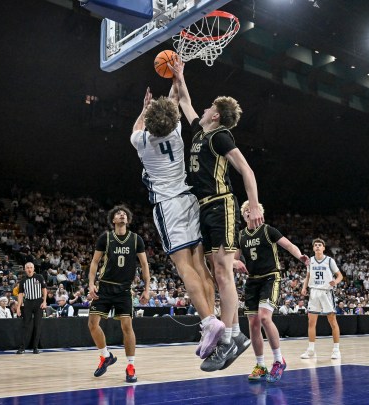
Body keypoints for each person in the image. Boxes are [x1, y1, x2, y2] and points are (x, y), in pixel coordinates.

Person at [172, 59, 264, 372]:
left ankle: (232, 337)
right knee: (214, 271)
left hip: (222, 204)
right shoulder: (200, 130)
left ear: (217, 114)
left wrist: (253, 205)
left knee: (223, 272)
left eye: (211, 105)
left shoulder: (220, 135)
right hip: (203, 207)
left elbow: (246, 170)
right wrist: (179, 75)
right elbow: (184, 100)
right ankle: (230, 334)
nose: (207, 107)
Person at [130, 85, 224, 359]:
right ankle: (213, 318)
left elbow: (137, 127)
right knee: (200, 264)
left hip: (168, 206)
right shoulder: (176, 132)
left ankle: (208, 322)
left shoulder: (143, 142)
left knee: (184, 268)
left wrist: (144, 107)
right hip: (189, 199)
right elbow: (172, 108)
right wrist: (176, 80)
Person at [236, 201, 309, 383]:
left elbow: (289, 245)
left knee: (264, 318)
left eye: (251, 209)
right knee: (253, 324)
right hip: (252, 280)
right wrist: (233, 263)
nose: (248, 212)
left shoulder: (268, 230)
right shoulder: (241, 236)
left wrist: (300, 256)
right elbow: (233, 259)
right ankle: (260, 365)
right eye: (245, 210)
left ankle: (279, 360)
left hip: (270, 277)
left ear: (259, 213)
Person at [87, 205, 150, 383]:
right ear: (113, 220)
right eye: (118, 214)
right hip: (105, 287)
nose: (121, 215)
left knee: (127, 327)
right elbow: (94, 262)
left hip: (123, 289)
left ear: (127, 220)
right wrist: (91, 284)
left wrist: (147, 288)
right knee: (92, 324)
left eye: (124, 214)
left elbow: (144, 265)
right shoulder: (105, 238)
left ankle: (130, 366)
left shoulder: (136, 239)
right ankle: (105, 356)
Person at [300, 239, 344, 360]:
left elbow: (340, 275)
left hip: (326, 292)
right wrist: (304, 287)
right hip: (314, 292)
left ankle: (336, 350)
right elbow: (308, 276)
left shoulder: (330, 260)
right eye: (315, 245)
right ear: (313, 248)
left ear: (324, 248)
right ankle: (311, 350)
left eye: (320, 245)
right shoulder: (310, 261)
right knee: (311, 322)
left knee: (332, 321)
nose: (318, 247)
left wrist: (335, 281)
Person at [16, 262, 47, 354]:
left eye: (31, 267)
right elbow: (20, 294)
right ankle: (22, 347)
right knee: (25, 326)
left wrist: (44, 301)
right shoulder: (23, 280)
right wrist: (18, 307)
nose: (29, 269)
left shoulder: (39, 277)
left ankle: (35, 347)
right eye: (27, 268)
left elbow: (44, 289)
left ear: (33, 269)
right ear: (25, 269)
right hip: (28, 303)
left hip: (38, 302)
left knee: (37, 325)